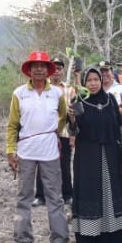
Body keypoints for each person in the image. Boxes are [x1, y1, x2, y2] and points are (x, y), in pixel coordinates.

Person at [7, 51, 73, 243]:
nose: (38, 69)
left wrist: (50, 132)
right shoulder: (19, 93)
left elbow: (62, 117)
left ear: (48, 70)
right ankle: (22, 236)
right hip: (26, 152)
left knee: (55, 195)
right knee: (24, 195)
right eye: (34, 65)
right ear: (29, 69)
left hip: (50, 152)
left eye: (42, 66)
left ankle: (60, 237)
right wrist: (11, 151)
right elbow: (12, 125)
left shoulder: (57, 93)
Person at [71, 67, 122, 243]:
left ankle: (113, 239)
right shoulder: (78, 102)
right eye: (89, 80)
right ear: (84, 83)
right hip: (87, 157)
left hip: (110, 155)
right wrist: (73, 119)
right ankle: (89, 240)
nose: (93, 83)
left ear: (101, 81)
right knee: (90, 194)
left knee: (108, 193)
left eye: (96, 79)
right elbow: (73, 132)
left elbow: (120, 127)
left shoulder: (110, 100)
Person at [35, 57, 74, 208]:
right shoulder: (43, 88)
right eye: (54, 68)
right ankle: (40, 195)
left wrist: (73, 136)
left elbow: (73, 114)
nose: (57, 71)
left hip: (64, 133)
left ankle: (67, 194)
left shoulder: (70, 90)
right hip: (46, 133)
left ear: (63, 71)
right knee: (42, 164)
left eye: (60, 68)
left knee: (64, 165)